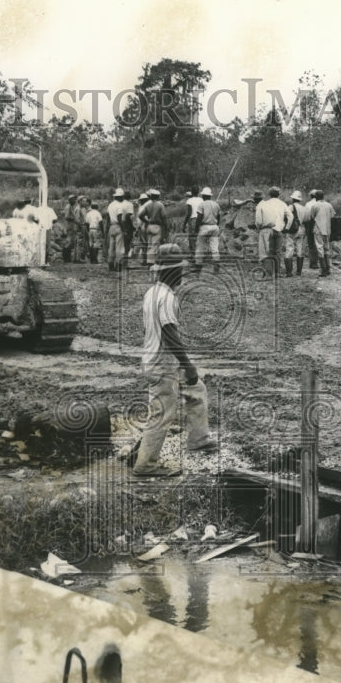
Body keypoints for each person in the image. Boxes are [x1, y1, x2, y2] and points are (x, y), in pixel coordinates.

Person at [131, 243, 218, 477]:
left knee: (196, 388)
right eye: (179, 269)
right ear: (170, 272)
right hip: (162, 363)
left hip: (157, 358)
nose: (182, 273)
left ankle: (198, 439)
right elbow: (170, 334)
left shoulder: (152, 292)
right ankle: (146, 464)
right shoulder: (167, 297)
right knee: (162, 413)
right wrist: (187, 364)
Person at [254, 186, 290, 278]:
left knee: (266, 252)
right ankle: (277, 273)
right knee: (277, 252)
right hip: (277, 229)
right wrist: (287, 227)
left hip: (266, 229)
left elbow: (258, 221)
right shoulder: (280, 204)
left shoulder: (262, 205)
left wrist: (257, 227)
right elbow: (290, 216)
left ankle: (269, 273)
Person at [193, 186, 221, 273]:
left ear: (203, 196)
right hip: (214, 226)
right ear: (210, 196)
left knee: (200, 247)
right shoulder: (216, 204)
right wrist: (216, 225)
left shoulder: (202, 205)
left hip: (205, 226)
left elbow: (199, 218)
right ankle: (216, 263)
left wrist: (196, 229)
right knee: (214, 246)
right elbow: (219, 217)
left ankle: (198, 265)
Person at [105, 188, 134, 271]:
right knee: (119, 247)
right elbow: (119, 218)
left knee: (111, 247)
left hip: (111, 226)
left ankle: (110, 265)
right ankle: (118, 266)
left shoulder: (110, 205)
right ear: (120, 197)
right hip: (118, 226)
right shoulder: (119, 205)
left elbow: (107, 217)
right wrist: (124, 229)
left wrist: (107, 228)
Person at [309, 189, 335, 278]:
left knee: (320, 248)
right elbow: (332, 216)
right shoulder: (329, 205)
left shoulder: (315, 205)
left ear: (316, 197)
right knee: (327, 248)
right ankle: (328, 269)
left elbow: (312, 217)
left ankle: (323, 270)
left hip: (318, 228)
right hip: (327, 229)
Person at [138, 189, 168, 265]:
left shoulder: (148, 205)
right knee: (155, 245)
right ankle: (151, 262)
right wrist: (166, 227)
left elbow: (140, 215)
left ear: (151, 196)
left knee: (149, 244)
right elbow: (164, 217)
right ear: (158, 197)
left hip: (149, 226)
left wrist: (146, 221)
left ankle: (149, 260)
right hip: (157, 226)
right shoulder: (160, 205)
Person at [284, 191, 308, 276]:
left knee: (289, 248)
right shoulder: (304, 208)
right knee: (300, 249)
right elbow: (306, 219)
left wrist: (286, 227)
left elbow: (286, 216)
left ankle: (289, 272)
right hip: (301, 228)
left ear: (293, 198)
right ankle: (299, 271)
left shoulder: (290, 207)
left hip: (292, 229)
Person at [182, 187, 205, 255]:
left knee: (192, 238)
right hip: (201, 219)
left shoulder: (190, 200)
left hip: (193, 220)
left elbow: (189, 213)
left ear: (191, 192)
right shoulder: (201, 200)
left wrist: (184, 224)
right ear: (198, 192)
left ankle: (194, 255)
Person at [62, 195, 81, 262]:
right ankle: (66, 258)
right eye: (73, 199)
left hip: (71, 226)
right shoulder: (69, 207)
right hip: (69, 226)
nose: (75, 201)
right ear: (70, 200)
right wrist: (74, 219)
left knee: (70, 242)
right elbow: (67, 216)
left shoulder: (71, 207)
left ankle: (67, 257)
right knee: (69, 242)